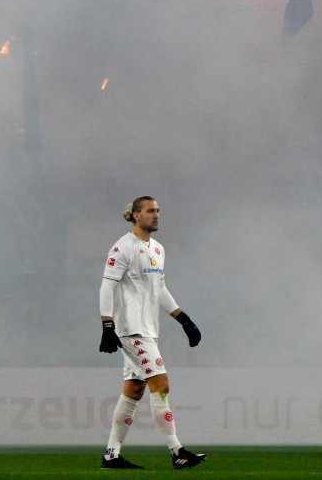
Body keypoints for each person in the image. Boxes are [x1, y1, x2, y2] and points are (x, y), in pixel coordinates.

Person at [98, 195, 206, 470]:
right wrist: (107, 324)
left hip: (149, 329)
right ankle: (177, 451)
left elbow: (160, 290)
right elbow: (107, 286)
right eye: (150, 211)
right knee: (161, 384)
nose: (156, 215)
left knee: (134, 390)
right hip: (131, 329)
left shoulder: (157, 249)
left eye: (158, 211)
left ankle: (111, 454)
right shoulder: (123, 248)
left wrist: (184, 319)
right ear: (136, 215)